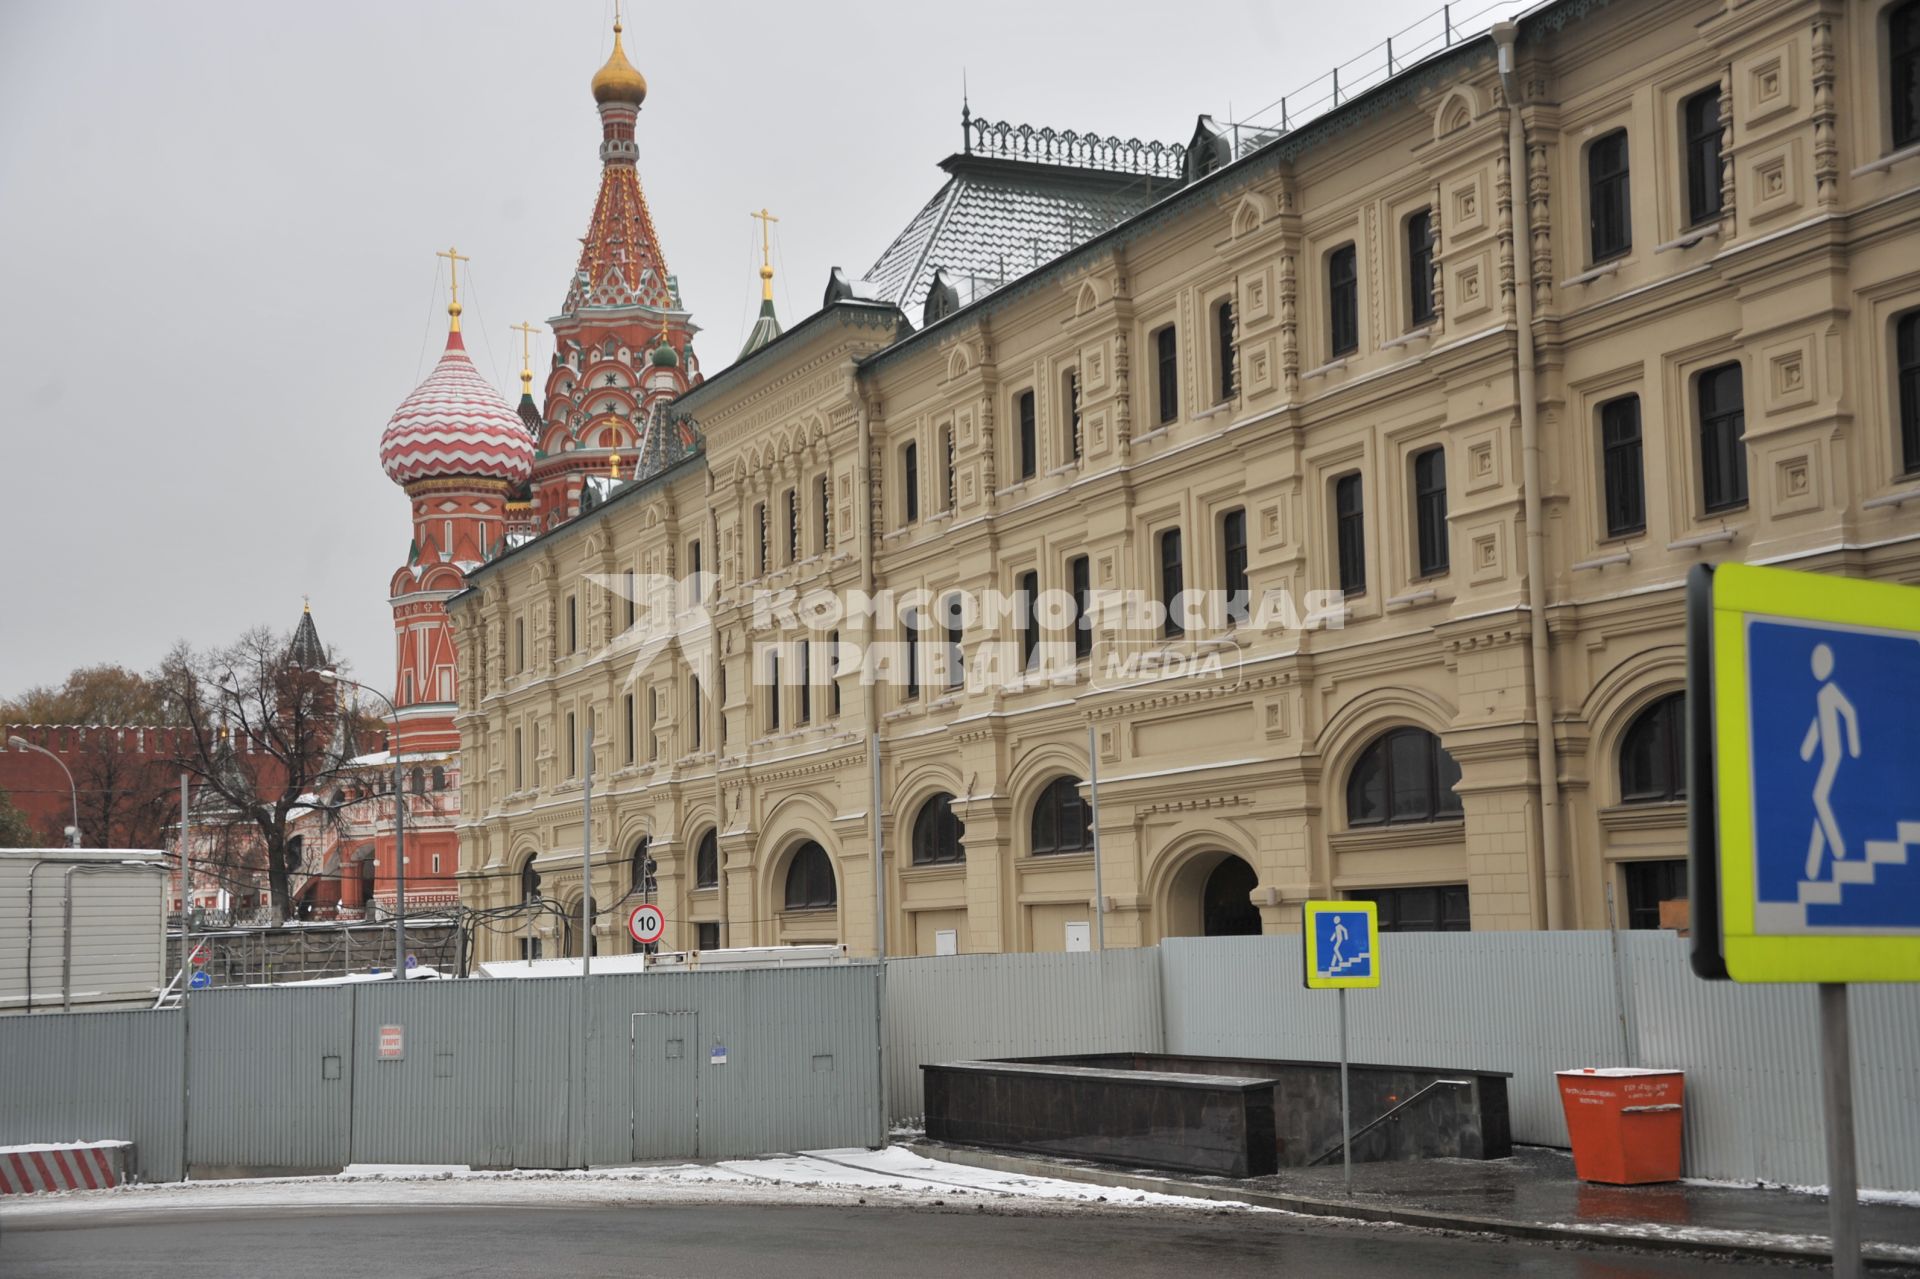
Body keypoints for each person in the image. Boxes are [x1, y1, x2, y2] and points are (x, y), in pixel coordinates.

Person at [1799, 642, 1861, 880]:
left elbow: (1849, 713)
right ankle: (1814, 863)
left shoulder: (1832, 690)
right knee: (1820, 803)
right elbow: (1818, 724)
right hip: (1826, 754)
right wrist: (1807, 748)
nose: (1816, 669)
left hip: (1835, 754)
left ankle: (1839, 847)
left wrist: (1854, 746)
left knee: (1819, 797)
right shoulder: (1820, 694)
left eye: (1819, 663)